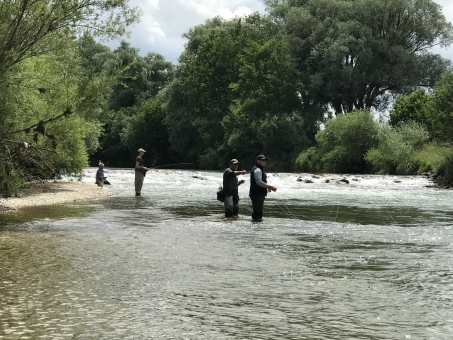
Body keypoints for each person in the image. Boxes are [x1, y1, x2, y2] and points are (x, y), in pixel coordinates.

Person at [249, 155, 277, 221]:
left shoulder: (259, 169)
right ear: (258, 161)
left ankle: (256, 225)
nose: (264, 162)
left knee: (258, 212)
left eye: (265, 160)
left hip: (257, 194)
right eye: (263, 160)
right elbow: (258, 182)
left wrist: (268, 187)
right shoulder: (257, 169)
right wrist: (270, 186)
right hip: (257, 194)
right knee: (258, 213)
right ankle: (257, 228)